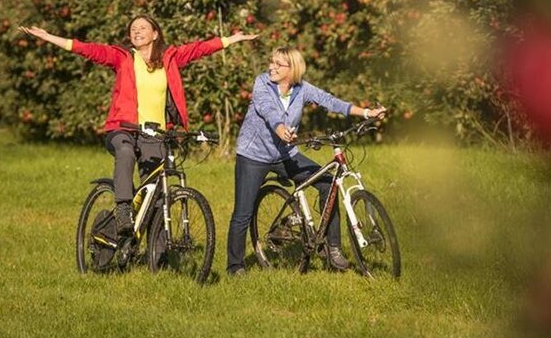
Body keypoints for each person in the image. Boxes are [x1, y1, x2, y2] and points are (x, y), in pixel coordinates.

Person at [20, 16, 257, 235]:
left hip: (155, 134)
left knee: (156, 195)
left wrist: (232, 39)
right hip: (122, 128)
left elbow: (200, 49)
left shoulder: (169, 58)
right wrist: (48, 37)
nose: (137, 31)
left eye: (142, 27)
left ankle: (159, 252)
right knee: (124, 152)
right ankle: (123, 207)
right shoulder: (123, 57)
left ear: (155, 34)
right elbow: (88, 49)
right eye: (133, 29)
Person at [226, 46, 385, 276]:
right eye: (271, 62)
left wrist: (368, 113)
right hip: (254, 155)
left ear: (292, 69)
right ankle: (235, 266)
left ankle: (333, 249)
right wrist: (280, 128)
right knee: (243, 212)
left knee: (327, 184)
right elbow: (267, 110)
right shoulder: (262, 83)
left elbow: (330, 102)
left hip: (286, 154)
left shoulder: (302, 89)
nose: (271, 66)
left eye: (278, 64)